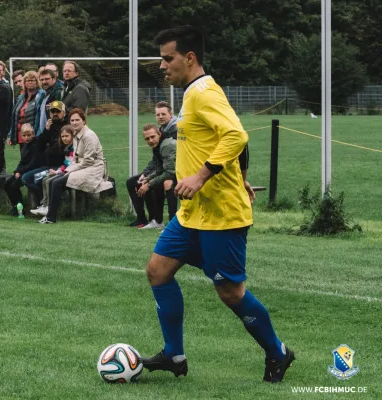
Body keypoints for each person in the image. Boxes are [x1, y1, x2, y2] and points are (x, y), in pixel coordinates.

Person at [140, 26, 293, 383]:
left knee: (229, 292)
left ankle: (278, 352)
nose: (162, 66)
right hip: (193, 212)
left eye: (168, 58)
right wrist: (239, 173)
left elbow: (237, 135)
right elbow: (226, 134)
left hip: (221, 214)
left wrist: (202, 176)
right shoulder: (192, 94)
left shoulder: (204, 92)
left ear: (189, 58)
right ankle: (174, 356)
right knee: (158, 270)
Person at [39, 108, 112, 224]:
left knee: (58, 182)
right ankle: (50, 210)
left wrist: (70, 169)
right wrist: (66, 169)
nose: (74, 123)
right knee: (54, 180)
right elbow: (75, 158)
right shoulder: (77, 134)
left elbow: (88, 161)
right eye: (72, 120)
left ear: (84, 121)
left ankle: (51, 217)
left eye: (77, 120)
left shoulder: (89, 136)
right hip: (82, 168)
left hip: (93, 169)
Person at [126, 123, 177, 229]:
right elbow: (159, 169)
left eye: (153, 137)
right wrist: (147, 179)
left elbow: (170, 172)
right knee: (153, 183)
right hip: (175, 172)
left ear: (159, 134)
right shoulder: (158, 145)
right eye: (147, 139)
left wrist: (148, 184)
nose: (150, 140)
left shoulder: (167, 145)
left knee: (166, 183)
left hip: (187, 173)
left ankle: (173, 226)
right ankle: (157, 221)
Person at [22, 100, 68, 205]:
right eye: (53, 111)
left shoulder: (66, 128)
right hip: (47, 165)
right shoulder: (49, 127)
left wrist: (49, 147)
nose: (55, 114)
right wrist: (46, 130)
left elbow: (58, 149)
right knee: (26, 178)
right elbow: (39, 147)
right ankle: (42, 201)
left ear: (64, 113)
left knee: (39, 180)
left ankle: (49, 204)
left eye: (58, 111)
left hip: (60, 166)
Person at [30, 125, 75, 217]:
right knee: (45, 179)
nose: (64, 138)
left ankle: (48, 207)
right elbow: (65, 163)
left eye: (67, 136)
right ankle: (45, 205)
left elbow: (70, 164)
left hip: (71, 172)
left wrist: (57, 172)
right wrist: (58, 170)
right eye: (62, 136)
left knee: (49, 180)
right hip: (64, 170)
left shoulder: (73, 148)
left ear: (72, 136)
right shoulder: (66, 148)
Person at [3, 123, 47, 215]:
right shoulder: (24, 147)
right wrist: (16, 171)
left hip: (32, 170)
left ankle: (21, 208)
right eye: (24, 135)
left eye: (28, 135)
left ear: (33, 134)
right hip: (23, 171)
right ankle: (16, 205)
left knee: (14, 185)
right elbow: (22, 161)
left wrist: (20, 172)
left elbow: (33, 163)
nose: (26, 138)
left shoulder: (36, 145)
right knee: (6, 184)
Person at [8, 71, 45, 148]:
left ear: (37, 82)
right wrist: (11, 135)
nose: (30, 82)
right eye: (28, 80)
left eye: (33, 80)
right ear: (24, 83)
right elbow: (14, 116)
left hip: (34, 134)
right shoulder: (21, 97)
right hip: (21, 134)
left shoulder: (41, 95)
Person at [37, 69, 64, 135]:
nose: (44, 82)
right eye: (42, 80)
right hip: (44, 133)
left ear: (54, 79)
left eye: (47, 79)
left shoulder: (58, 93)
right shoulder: (43, 95)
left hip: (54, 133)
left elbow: (61, 115)